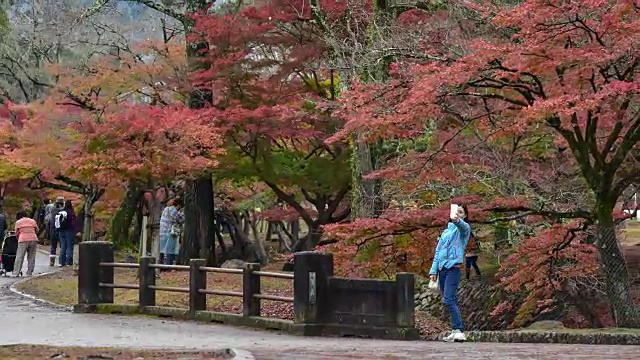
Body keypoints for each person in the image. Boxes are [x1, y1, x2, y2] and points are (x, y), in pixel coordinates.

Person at [429, 204, 471, 342]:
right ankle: (454, 330)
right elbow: (438, 252)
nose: (458, 214)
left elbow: (463, 227)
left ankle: (459, 330)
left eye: (461, 212)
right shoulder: (446, 233)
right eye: (456, 211)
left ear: (464, 215)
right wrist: (433, 270)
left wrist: (457, 220)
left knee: (448, 299)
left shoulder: (463, 230)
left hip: (454, 268)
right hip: (442, 269)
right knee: (449, 300)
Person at [159, 198, 184, 267]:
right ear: (178, 205)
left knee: (162, 248)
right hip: (170, 232)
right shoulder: (175, 211)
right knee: (170, 249)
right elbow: (181, 220)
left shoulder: (165, 209)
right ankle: (168, 266)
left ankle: (160, 264)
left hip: (162, 231)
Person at [13, 210, 39, 277]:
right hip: (33, 238)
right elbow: (37, 230)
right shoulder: (32, 221)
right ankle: (29, 272)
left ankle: (16, 272)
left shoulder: (18, 222)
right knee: (31, 256)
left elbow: (17, 233)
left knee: (19, 256)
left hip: (23, 239)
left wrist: (18, 238)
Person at [56, 199, 76, 267]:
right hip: (69, 230)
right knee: (69, 246)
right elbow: (73, 223)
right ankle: (69, 262)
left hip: (61, 231)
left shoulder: (61, 211)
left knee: (63, 246)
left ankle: (62, 262)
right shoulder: (71, 212)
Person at [48, 197, 65, 266]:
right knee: (62, 245)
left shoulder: (52, 209)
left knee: (53, 246)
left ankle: (52, 262)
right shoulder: (64, 210)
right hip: (61, 230)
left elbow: (50, 220)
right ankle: (62, 261)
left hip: (53, 229)